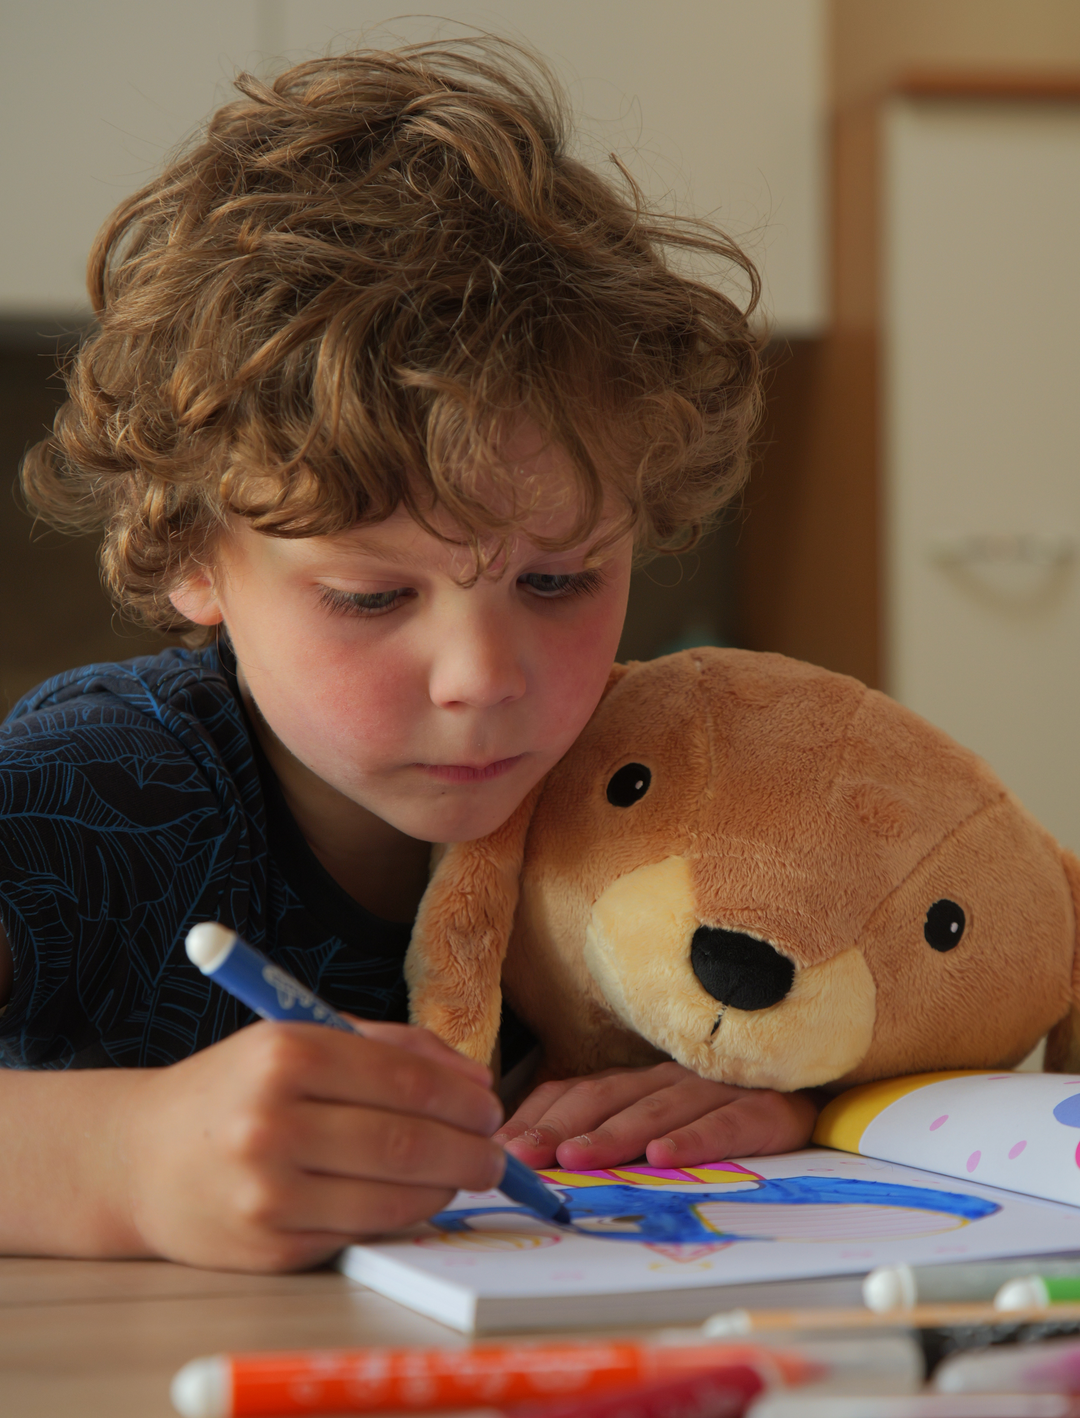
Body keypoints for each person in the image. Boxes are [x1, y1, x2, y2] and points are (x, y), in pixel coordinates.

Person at [0, 39, 817, 1272]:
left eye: (559, 579)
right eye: (374, 594)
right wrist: (119, 1160)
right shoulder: (95, 786)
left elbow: (922, 993)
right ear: (193, 555)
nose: (483, 674)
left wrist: (799, 1100)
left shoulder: (671, 791)